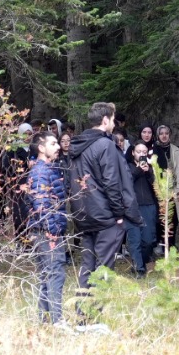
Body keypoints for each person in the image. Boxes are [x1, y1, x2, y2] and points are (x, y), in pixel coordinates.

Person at [69, 102, 142, 323]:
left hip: (83, 212)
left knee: (87, 265)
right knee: (103, 267)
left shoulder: (77, 144)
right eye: (112, 118)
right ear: (105, 120)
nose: (114, 122)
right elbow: (112, 182)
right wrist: (119, 212)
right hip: (104, 215)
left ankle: (83, 316)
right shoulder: (105, 145)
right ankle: (92, 319)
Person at [27, 130, 68, 324]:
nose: (58, 146)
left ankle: (44, 320)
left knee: (47, 276)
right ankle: (56, 321)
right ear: (41, 148)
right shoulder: (41, 171)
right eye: (53, 144)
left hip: (44, 230)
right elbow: (41, 204)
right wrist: (52, 230)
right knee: (55, 274)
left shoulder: (47, 169)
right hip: (46, 232)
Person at [125, 141, 159, 275]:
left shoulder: (151, 167)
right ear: (133, 152)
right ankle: (139, 269)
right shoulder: (127, 166)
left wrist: (149, 171)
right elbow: (127, 181)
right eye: (139, 152)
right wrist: (139, 169)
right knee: (135, 239)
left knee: (149, 240)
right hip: (132, 206)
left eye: (144, 152)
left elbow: (157, 184)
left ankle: (142, 262)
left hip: (148, 206)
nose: (141, 154)